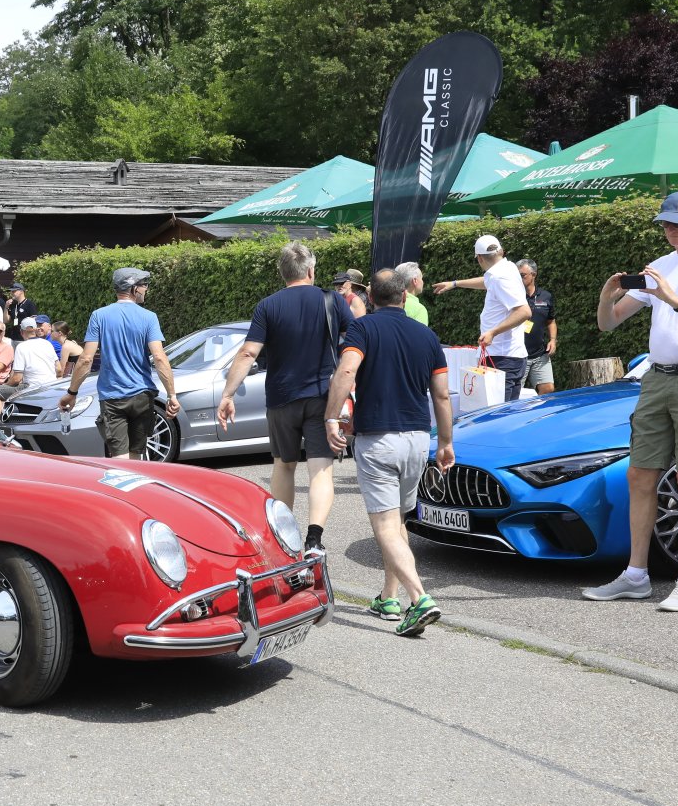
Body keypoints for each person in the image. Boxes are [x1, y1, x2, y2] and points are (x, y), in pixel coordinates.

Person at [583, 190, 678, 612]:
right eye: (665, 223)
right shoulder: (661, 264)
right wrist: (607, 297)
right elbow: (609, 323)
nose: (670, 229)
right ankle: (636, 575)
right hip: (657, 377)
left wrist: (674, 299)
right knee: (639, 474)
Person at [325, 269, 453, 636]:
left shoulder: (362, 329)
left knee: (384, 525)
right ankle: (388, 597)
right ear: (404, 296)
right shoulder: (427, 336)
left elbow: (346, 372)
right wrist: (446, 442)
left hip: (378, 439)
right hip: (417, 439)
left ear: (370, 299)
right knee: (397, 523)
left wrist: (331, 417)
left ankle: (420, 598)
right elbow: (441, 394)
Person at [218, 243, 354, 556]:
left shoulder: (268, 306)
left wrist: (228, 394)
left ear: (283, 273)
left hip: (280, 397)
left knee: (283, 465)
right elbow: (355, 339)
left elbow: (248, 352)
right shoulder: (332, 300)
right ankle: (314, 540)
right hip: (322, 396)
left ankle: (284, 538)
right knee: (320, 468)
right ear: (311, 270)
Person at [59, 268, 180, 459]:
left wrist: (71, 393)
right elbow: (159, 357)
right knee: (136, 457)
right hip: (142, 396)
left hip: (112, 397)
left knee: (120, 460)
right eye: (144, 285)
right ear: (133, 289)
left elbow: (86, 359)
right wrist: (171, 395)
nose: (146, 289)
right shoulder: (149, 317)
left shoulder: (99, 316)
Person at [431, 235, 530, 401]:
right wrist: (454, 283)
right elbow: (487, 281)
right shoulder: (507, 268)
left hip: (502, 357)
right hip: (507, 356)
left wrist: (493, 332)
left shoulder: (499, 277)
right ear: (501, 251)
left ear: (479, 258)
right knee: (506, 411)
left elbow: (524, 312)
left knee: (497, 413)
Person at [0, 316, 59, 418]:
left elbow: (17, 379)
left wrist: (6, 384)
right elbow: (59, 369)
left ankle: (0, 423)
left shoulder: (21, 347)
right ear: (35, 330)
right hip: (50, 386)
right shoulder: (47, 344)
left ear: (21, 332)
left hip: (32, 388)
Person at [516, 258, 558, 394]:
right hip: (518, 355)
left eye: (522, 275)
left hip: (539, 353)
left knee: (548, 389)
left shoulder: (545, 296)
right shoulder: (513, 296)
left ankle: (538, 408)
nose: (519, 279)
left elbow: (551, 321)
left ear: (533, 274)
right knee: (515, 394)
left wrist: (553, 340)